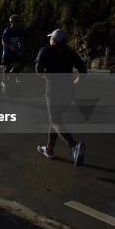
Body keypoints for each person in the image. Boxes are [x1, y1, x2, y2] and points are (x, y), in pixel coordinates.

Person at [35, 29, 87, 167]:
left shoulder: (45, 51)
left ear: (55, 40)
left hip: (53, 91)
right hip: (68, 91)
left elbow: (38, 71)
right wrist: (77, 82)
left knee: (55, 120)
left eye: (51, 38)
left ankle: (74, 146)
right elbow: (83, 69)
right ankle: (49, 149)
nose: (50, 39)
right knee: (55, 119)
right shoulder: (70, 52)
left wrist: (45, 74)